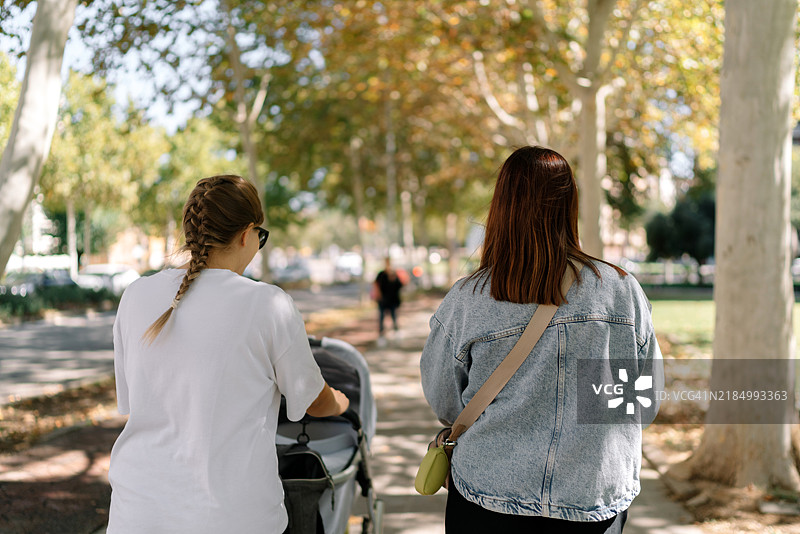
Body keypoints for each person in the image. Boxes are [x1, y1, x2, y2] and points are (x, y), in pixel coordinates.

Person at [420, 147, 662, 533]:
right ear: (569, 205)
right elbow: (640, 405)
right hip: (591, 502)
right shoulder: (621, 292)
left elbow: (445, 399)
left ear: (501, 207)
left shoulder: (467, 300)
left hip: (488, 494)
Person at [107, 175, 349, 533]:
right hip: (230, 518)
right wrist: (341, 403)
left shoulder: (136, 295)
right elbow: (314, 401)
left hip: (137, 514)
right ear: (246, 234)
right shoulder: (268, 304)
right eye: (260, 237)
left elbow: (133, 401)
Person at [374, 257, 404, 337]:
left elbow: (400, 285)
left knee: (394, 316)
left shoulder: (394, 274)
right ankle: (381, 333)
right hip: (383, 300)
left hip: (392, 299)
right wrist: (378, 296)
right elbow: (376, 285)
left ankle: (396, 331)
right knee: (381, 317)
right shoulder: (381, 274)